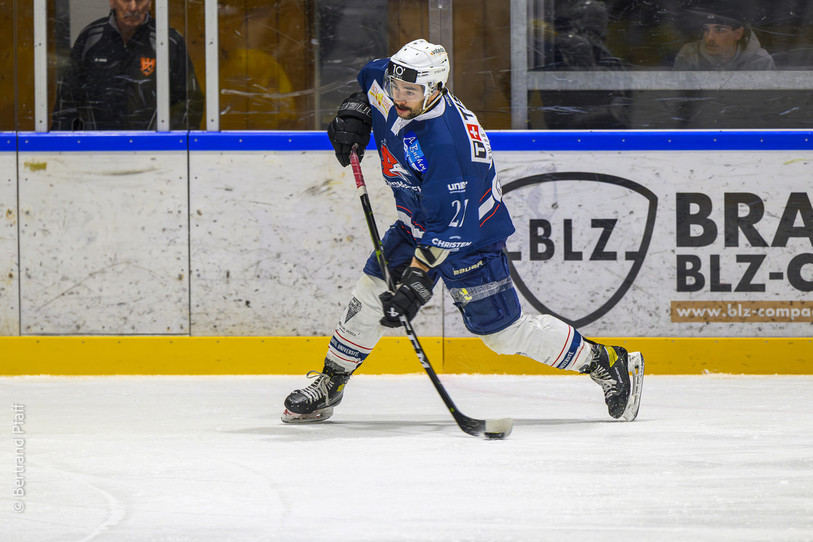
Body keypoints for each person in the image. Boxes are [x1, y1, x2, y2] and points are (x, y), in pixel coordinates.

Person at [281, 39, 644, 425]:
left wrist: (417, 283)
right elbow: (368, 87)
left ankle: (608, 362)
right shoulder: (388, 79)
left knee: (504, 335)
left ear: (436, 89)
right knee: (369, 295)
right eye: (396, 88)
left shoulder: (447, 144)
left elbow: (448, 233)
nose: (399, 97)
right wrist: (356, 114)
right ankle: (332, 381)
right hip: (415, 223)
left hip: (471, 239)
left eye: (411, 92)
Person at [51, 0, 204, 131]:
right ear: (112, 2)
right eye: (126, 0)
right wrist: (64, 147)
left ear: (150, 3)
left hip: (154, 152)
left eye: (139, 0)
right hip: (97, 149)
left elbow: (190, 101)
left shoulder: (168, 40)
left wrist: (167, 142)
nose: (132, 7)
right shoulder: (90, 38)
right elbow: (67, 99)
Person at [673, 10, 775, 70]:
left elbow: (765, 100)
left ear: (738, 33)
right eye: (706, 30)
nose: (710, 37)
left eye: (720, 30)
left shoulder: (759, 60)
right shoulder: (690, 53)